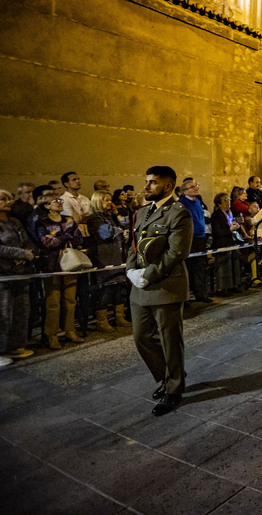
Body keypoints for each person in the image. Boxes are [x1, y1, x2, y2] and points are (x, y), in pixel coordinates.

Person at [126, 166, 193, 416]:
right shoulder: (143, 212)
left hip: (166, 285)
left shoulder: (178, 214)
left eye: (152, 182)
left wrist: (148, 275)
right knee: (141, 336)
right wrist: (131, 271)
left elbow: (177, 252)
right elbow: (134, 245)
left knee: (170, 340)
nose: (146, 186)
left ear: (167, 186)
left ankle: (174, 389)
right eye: (146, 181)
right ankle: (168, 375)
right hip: (140, 285)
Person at [34, 191, 86, 349]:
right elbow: (47, 243)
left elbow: (79, 238)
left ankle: (69, 330)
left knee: (70, 300)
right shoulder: (41, 223)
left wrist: (60, 237)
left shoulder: (69, 220)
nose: (60, 202)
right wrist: (66, 236)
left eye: (60, 199)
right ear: (47, 205)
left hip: (70, 264)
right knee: (53, 302)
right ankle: (52, 334)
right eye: (55, 200)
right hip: (52, 265)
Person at [0, 189, 35, 360]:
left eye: (9, 198)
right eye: (3, 199)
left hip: (21, 273)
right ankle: (2, 349)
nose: (8, 202)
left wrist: (28, 252)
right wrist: (20, 253)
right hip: (3, 276)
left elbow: (27, 242)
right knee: (4, 313)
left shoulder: (14, 222)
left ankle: (16, 346)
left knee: (21, 312)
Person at [86, 190, 129, 332]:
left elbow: (119, 229)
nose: (110, 202)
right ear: (98, 201)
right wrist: (119, 229)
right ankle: (101, 321)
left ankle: (119, 317)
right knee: (106, 289)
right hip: (103, 257)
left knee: (119, 286)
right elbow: (105, 233)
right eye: (106, 200)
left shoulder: (110, 217)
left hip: (116, 255)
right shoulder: (94, 218)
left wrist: (122, 231)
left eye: (110, 200)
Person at [178, 179, 211, 303]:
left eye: (196, 185)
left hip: (201, 237)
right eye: (192, 187)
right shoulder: (182, 203)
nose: (196, 188)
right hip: (190, 238)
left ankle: (201, 294)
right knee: (189, 268)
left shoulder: (198, 201)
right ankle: (187, 296)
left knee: (201, 266)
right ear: (185, 191)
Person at [211, 192, 243, 295]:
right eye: (225, 201)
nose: (228, 202)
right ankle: (223, 288)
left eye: (229, 200)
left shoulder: (230, 213)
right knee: (224, 266)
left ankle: (234, 285)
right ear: (219, 204)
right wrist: (229, 229)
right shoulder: (216, 215)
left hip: (231, 242)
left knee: (234, 264)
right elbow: (217, 231)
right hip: (222, 243)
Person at [60, 171, 91, 237]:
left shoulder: (85, 198)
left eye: (78, 179)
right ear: (66, 184)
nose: (78, 181)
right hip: (74, 234)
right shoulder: (63, 199)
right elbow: (73, 220)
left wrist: (82, 218)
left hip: (89, 232)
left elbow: (92, 216)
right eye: (74, 180)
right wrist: (84, 218)